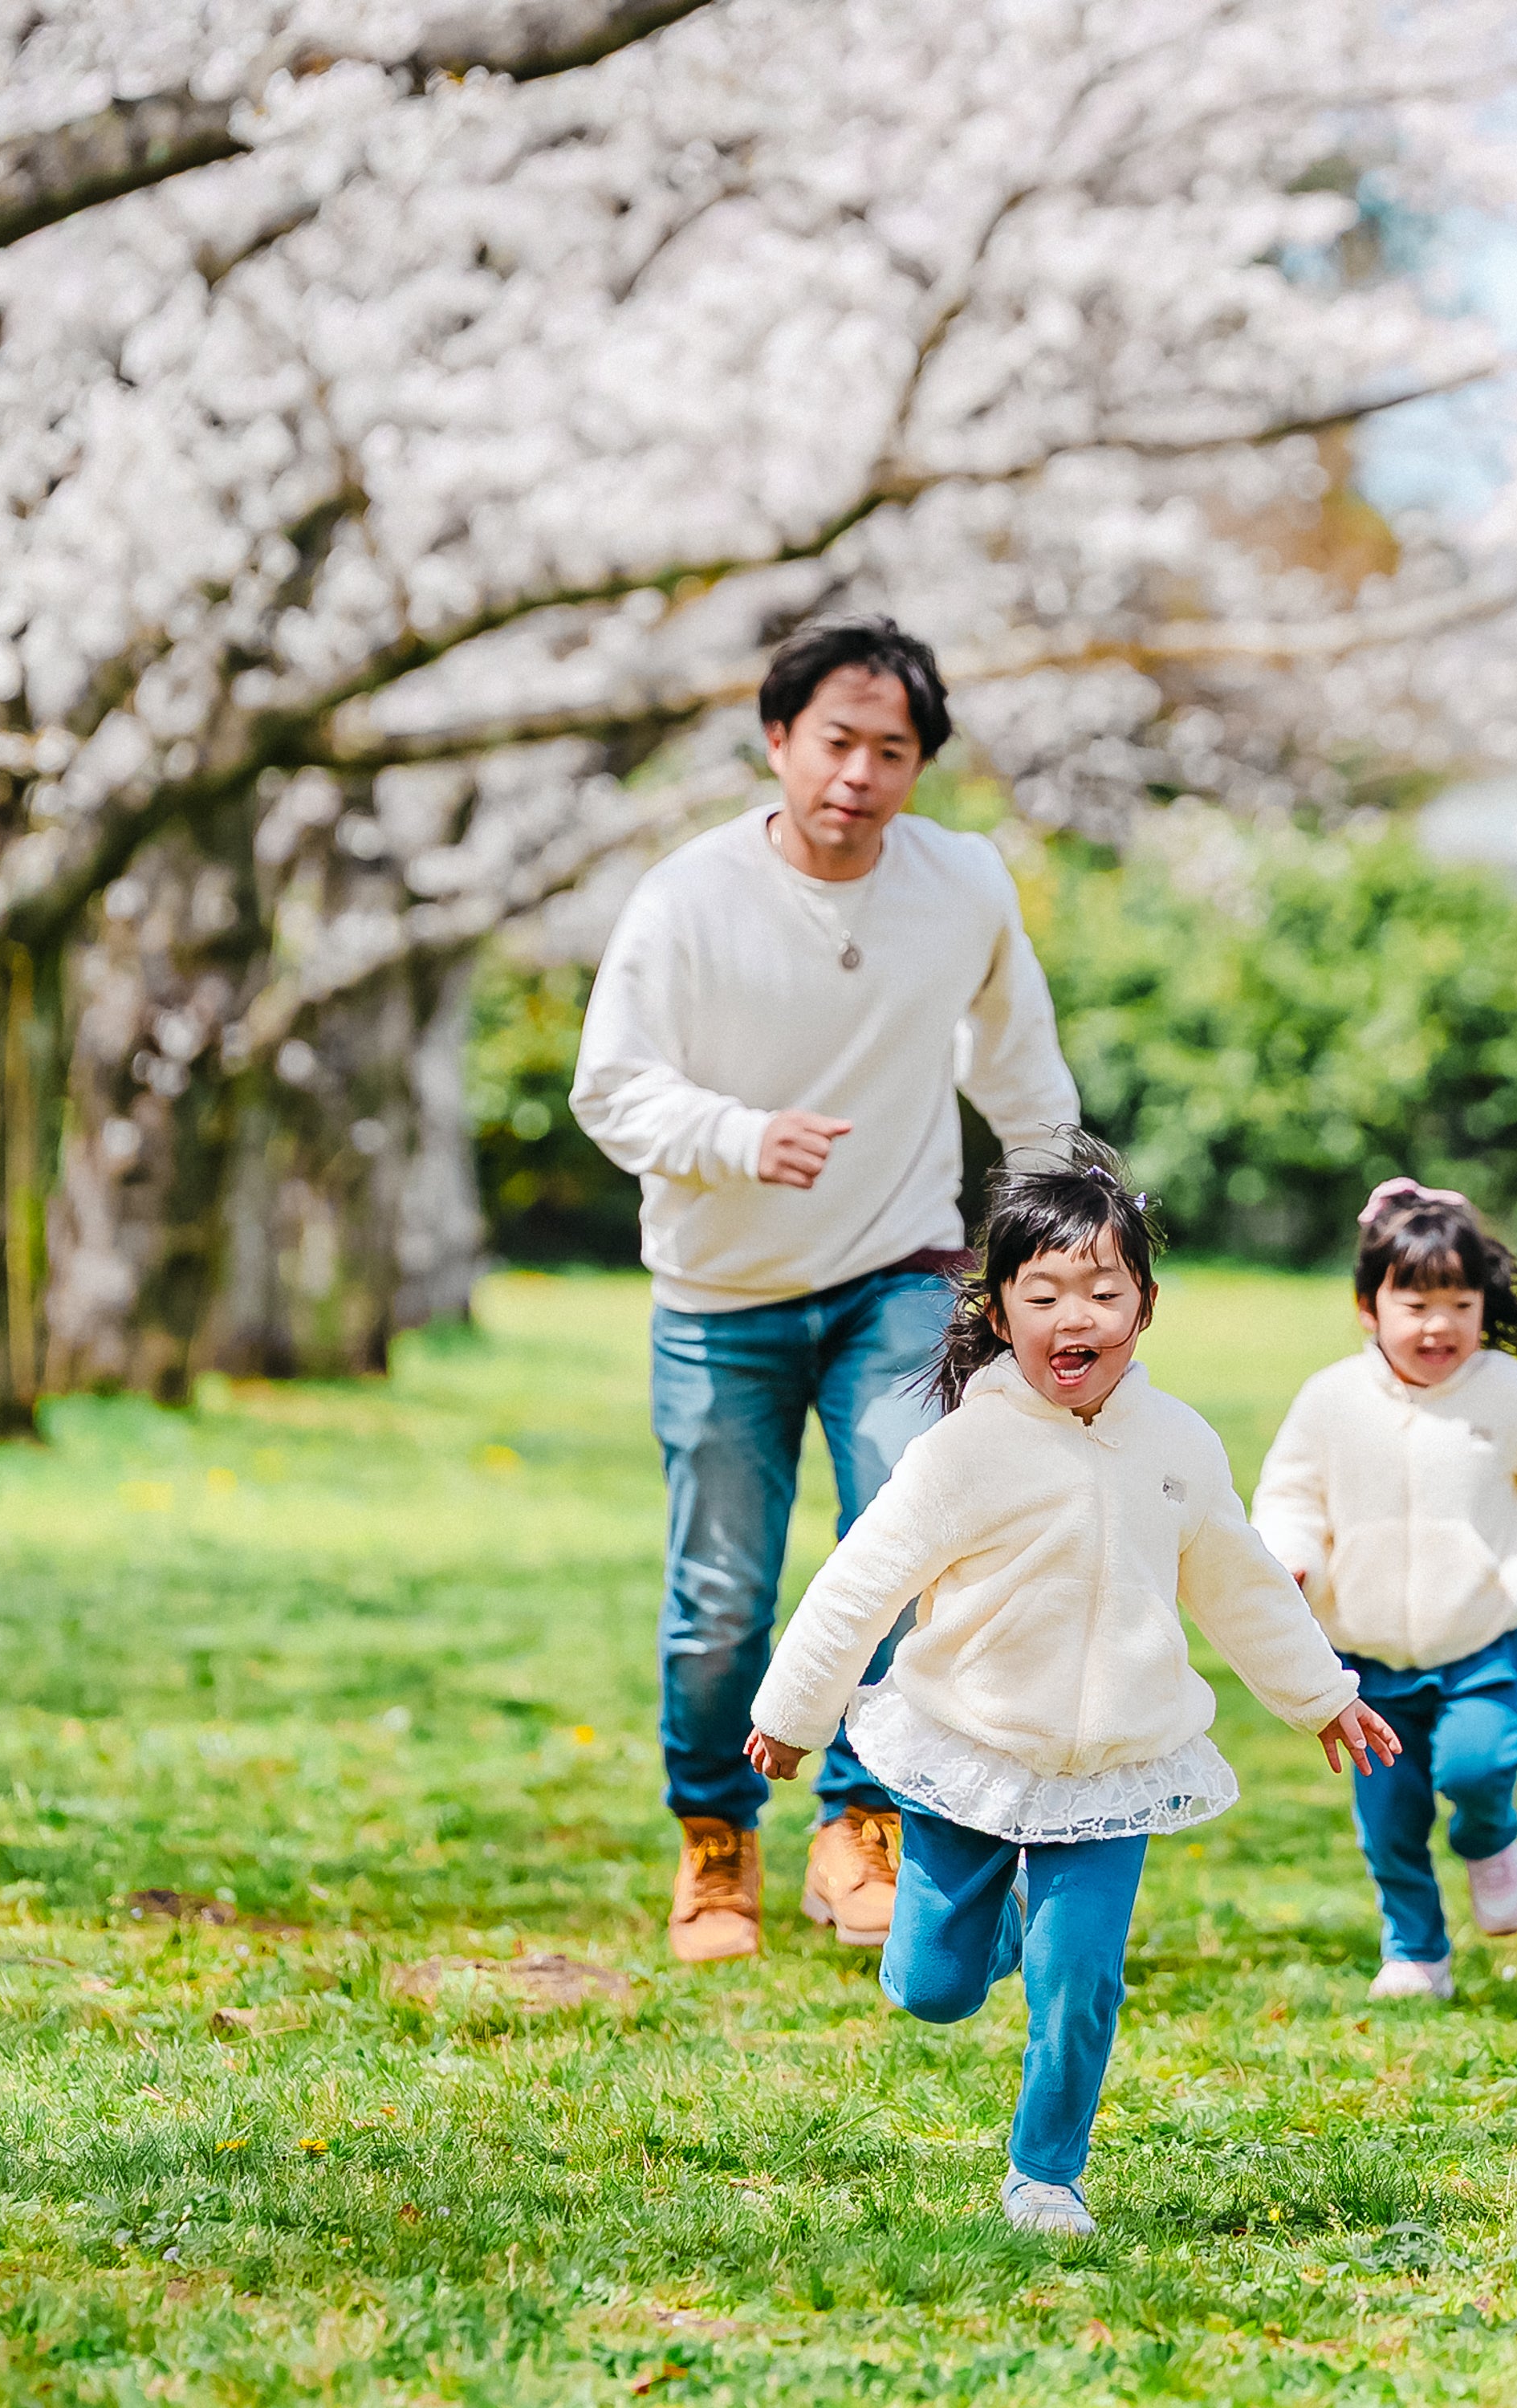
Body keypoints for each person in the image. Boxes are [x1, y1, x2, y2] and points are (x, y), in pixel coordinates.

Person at [742, 1139, 1400, 2236]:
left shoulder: (1176, 1444)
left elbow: (1239, 1582)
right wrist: (790, 1714)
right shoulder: (963, 1455)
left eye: (1104, 1290)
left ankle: (1046, 2175)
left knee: (1080, 1983)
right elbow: (859, 1584)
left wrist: (1322, 1694)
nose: (1074, 1314)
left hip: (1115, 1766)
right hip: (970, 1751)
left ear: (1143, 1309)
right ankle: (989, 1929)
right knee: (932, 1987)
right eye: (1042, 1293)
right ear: (1001, 1315)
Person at [571, 616, 1078, 1966]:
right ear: (779, 739)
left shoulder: (960, 885)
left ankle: (860, 1823)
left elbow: (1019, 1068)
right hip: (718, 1290)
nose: (858, 773)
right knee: (721, 1592)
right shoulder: (689, 898)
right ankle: (716, 1838)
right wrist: (740, 1136)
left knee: (908, 1534)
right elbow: (609, 1086)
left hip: (896, 1271)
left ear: (922, 767)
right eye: (835, 741)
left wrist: (1061, 1232)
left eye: (892, 751)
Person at [1253, 1181, 1517, 2001]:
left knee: (1477, 1763)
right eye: (1417, 1304)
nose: (1440, 1326)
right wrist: (1289, 1558)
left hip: (1481, 1642)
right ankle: (1416, 1953)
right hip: (1363, 1661)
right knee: (1389, 1822)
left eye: (1460, 1304)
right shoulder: (1331, 1401)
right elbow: (1290, 1496)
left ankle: (1491, 1838)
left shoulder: (1505, 1393)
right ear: (1369, 1307)